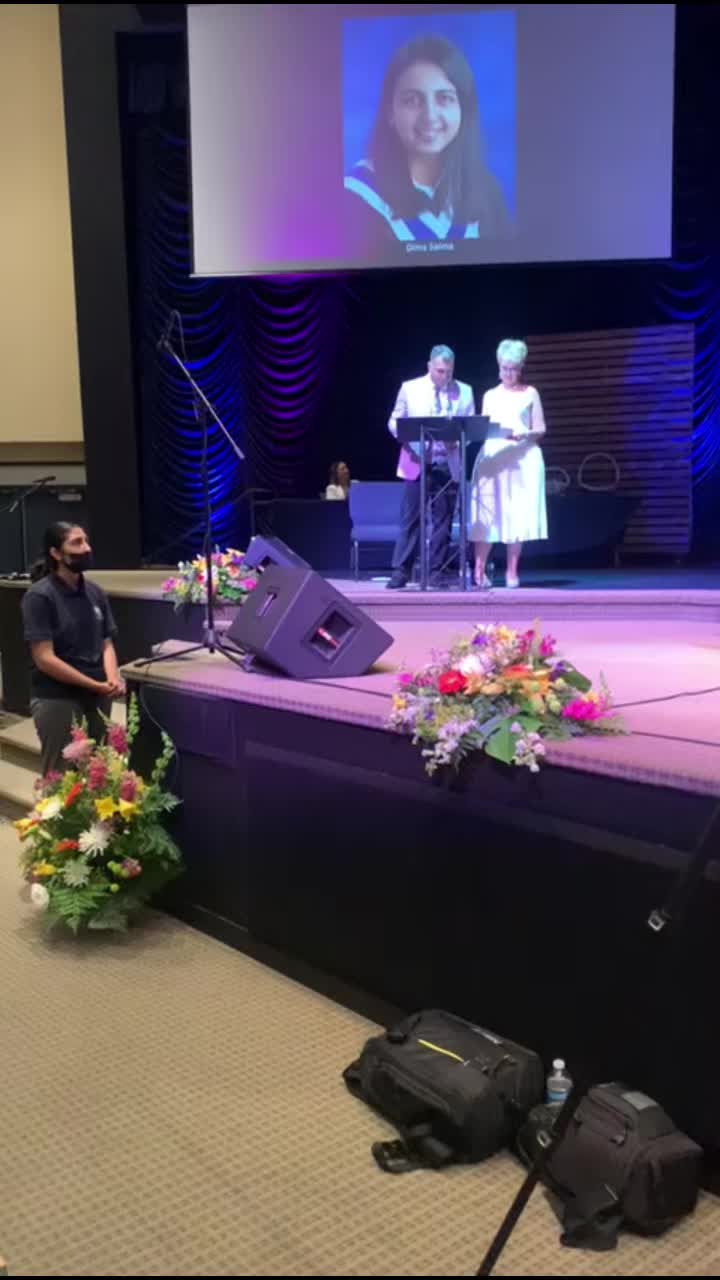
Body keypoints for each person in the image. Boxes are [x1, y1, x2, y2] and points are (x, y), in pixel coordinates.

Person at [344, 35, 510, 246]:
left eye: (444, 98)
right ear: (390, 112)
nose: (430, 116)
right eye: (412, 100)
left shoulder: (485, 190)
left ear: (463, 110)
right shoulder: (355, 195)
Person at [21, 522, 123, 777]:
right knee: (61, 779)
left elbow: (106, 642)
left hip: (97, 696)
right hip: (58, 698)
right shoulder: (39, 597)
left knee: (98, 774)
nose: (86, 548)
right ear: (56, 553)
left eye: (86, 541)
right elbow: (44, 659)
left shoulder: (95, 593)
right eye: (76, 543)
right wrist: (94, 684)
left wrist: (112, 678)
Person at [387, 344, 475, 590]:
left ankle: (437, 571)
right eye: (440, 371)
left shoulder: (465, 391)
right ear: (429, 367)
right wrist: (411, 440)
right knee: (411, 519)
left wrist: (457, 441)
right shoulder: (410, 388)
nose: (445, 377)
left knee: (443, 520)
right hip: (417, 460)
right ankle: (401, 571)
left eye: (449, 372)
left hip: (447, 461)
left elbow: (470, 427)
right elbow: (394, 421)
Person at [469, 339, 547, 589]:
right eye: (504, 368)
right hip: (493, 458)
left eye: (513, 369)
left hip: (522, 458)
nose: (508, 373)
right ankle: (479, 570)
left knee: (516, 513)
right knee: (487, 512)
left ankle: (512, 570)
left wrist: (524, 434)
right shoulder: (490, 395)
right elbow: (484, 428)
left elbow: (540, 428)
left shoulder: (530, 393)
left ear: (521, 368)